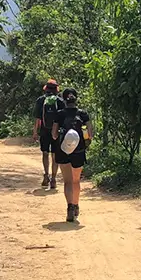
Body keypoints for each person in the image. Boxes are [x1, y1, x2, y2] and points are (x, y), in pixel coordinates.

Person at [52, 88, 92, 223]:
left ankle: (69, 206)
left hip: (63, 150)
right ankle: (76, 205)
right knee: (76, 181)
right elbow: (90, 134)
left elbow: (54, 134)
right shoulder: (83, 114)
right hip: (79, 151)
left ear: (64, 99)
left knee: (67, 181)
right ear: (76, 99)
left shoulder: (59, 114)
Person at [32, 79, 65, 191]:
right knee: (55, 155)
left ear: (46, 88)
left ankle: (46, 175)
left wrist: (35, 132)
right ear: (56, 89)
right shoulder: (60, 101)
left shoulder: (40, 100)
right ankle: (54, 179)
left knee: (45, 153)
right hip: (57, 132)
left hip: (44, 131)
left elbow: (37, 118)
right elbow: (63, 118)